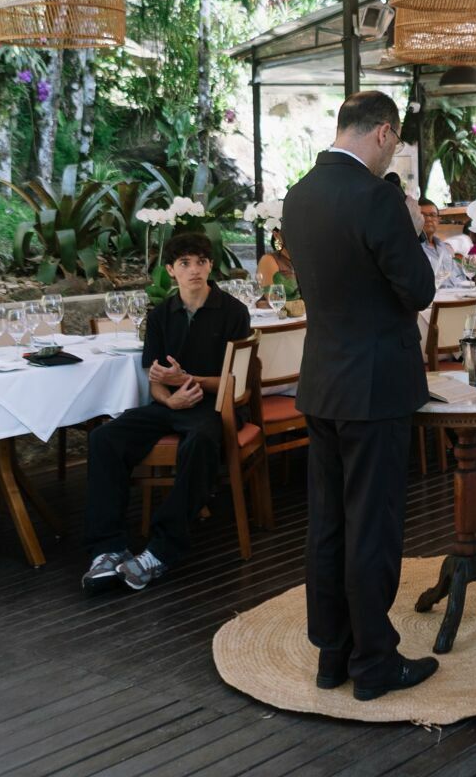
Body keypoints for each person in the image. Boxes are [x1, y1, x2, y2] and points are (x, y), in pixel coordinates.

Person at [282, 90, 438, 699]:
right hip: (375, 387)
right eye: (394, 142)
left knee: (328, 524)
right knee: (372, 525)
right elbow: (418, 289)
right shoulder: (377, 198)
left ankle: (333, 654)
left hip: (322, 381)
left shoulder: (299, 194)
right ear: (382, 133)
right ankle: (374, 662)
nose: (392, 152)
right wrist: (413, 227)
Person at [81, 231, 252, 595]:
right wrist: (169, 399)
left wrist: (187, 380)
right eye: (185, 263)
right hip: (170, 405)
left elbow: (233, 381)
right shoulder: (160, 315)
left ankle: (160, 550)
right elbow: (154, 376)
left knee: (200, 443)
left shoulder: (234, 312)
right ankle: (108, 548)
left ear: (211, 266)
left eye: (201, 262)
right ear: (171, 270)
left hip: (214, 406)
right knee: (104, 438)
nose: (194, 270)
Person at [417, 199, 456, 280]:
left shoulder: (445, 248)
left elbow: (458, 275)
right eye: (422, 215)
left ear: (438, 220)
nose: (428, 219)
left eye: (432, 215)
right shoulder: (413, 249)